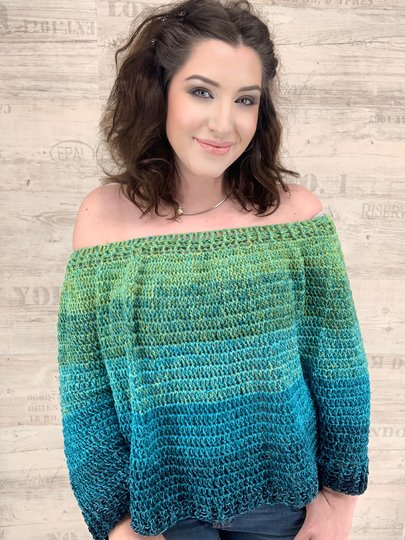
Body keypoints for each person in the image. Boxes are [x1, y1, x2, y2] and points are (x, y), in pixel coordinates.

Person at [56, 0, 371, 539]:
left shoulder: (296, 216)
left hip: (284, 506)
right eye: (201, 91)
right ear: (159, 92)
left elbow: (337, 365)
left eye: (245, 99)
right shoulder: (103, 218)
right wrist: (116, 523)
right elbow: (86, 390)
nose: (224, 123)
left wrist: (340, 500)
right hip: (159, 515)